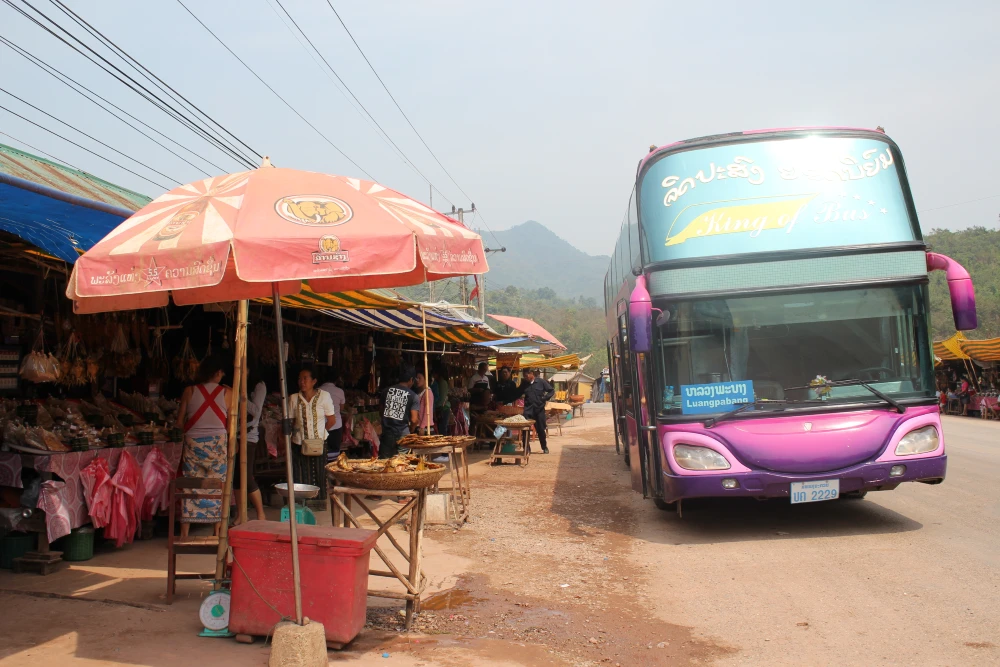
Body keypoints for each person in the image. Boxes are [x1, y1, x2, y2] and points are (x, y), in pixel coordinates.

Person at [175, 354, 230, 538]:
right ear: (218, 373)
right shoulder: (227, 393)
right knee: (217, 485)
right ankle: (216, 533)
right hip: (218, 446)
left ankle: (184, 534)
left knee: (190, 485)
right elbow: (230, 426)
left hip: (193, 445)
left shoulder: (189, 391)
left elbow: (179, 422)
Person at [290, 367, 337, 500]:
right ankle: (302, 501)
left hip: (319, 443)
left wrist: (320, 435)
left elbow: (331, 420)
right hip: (299, 442)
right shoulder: (294, 398)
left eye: (305, 378)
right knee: (300, 473)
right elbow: (292, 421)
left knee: (319, 472)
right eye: (300, 379)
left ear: (314, 381)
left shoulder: (324, 396)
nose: (302, 382)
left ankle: (318, 501)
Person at [234, 375, 267, 522]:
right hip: (236, 436)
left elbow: (255, 411)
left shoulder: (259, 386)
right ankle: (241, 514)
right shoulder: (238, 381)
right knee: (236, 478)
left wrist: (240, 397)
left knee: (246, 476)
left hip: (249, 437)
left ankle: (261, 514)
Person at [381, 368, 419, 459]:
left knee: (384, 463)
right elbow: (414, 419)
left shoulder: (386, 391)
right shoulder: (413, 396)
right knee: (402, 462)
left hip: (387, 432)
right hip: (403, 433)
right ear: (411, 379)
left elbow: (381, 411)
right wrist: (412, 428)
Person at [519, 368, 555, 454]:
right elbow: (517, 393)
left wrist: (544, 398)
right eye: (524, 376)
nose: (525, 377)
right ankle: (526, 448)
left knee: (541, 430)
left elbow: (551, 391)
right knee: (525, 429)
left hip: (539, 410)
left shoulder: (541, 382)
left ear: (531, 374)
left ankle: (544, 447)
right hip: (528, 410)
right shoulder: (524, 383)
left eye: (526, 375)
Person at [319, 372, 346, 459]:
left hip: (322, 425)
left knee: (322, 450)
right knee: (334, 450)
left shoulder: (318, 390)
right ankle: (333, 469)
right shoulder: (340, 391)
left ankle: (323, 468)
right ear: (336, 379)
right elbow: (341, 408)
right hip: (336, 424)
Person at [432, 367, 451, 436]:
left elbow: (442, 398)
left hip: (443, 409)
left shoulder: (442, 383)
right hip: (443, 408)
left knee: (442, 430)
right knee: (441, 429)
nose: (433, 376)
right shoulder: (440, 382)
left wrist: (434, 406)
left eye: (434, 374)